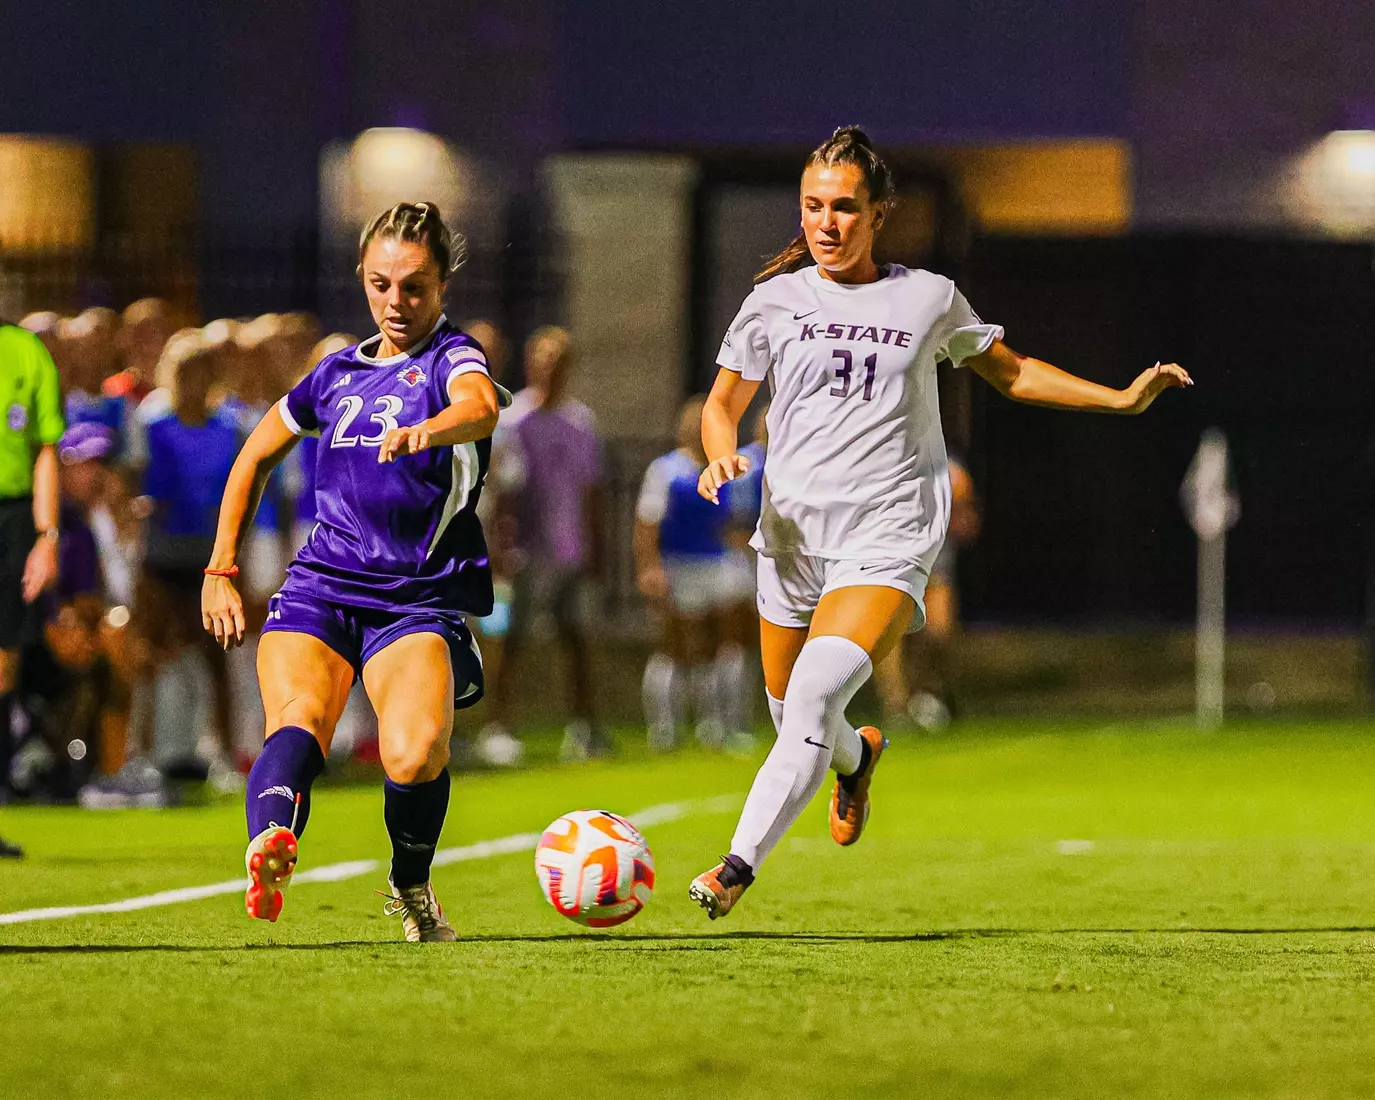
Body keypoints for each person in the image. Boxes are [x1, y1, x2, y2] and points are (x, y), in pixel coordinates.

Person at [687, 126, 1192, 919]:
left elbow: (1012, 370)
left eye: (845, 207)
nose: (826, 222)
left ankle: (733, 867)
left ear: (878, 213)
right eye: (813, 206)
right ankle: (858, 759)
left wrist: (1118, 398)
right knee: (796, 717)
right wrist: (716, 455)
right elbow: (722, 404)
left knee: (815, 698)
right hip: (788, 539)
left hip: (886, 534)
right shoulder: (775, 301)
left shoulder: (926, 296)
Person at [201, 201, 510, 941]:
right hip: (321, 585)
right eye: (381, 285)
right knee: (299, 719)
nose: (396, 303)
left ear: (441, 287)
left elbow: (479, 408)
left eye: (414, 287)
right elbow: (255, 453)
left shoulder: (452, 358)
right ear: (362, 280)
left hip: (413, 599)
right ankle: (268, 842)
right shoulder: (334, 374)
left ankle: (410, 885)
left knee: (413, 752)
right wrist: (220, 567)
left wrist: (426, 431)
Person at [480, 326, 606, 765]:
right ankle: (499, 726)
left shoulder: (581, 423)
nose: (548, 372)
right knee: (510, 641)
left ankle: (585, 729)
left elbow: (593, 491)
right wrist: (500, 545)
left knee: (578, 640)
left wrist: (596, 549)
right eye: (541, 362)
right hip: (527, 552)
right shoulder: (513, 419)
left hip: (570, 548)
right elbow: (502, 491)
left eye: (556, 364)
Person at [636, 396, 749, 751]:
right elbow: (646, 523)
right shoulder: (666, 470)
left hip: (716, 563)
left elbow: (731, 523)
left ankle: (719, 725)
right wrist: (650, 568)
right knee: (675, 647)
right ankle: (664, 728)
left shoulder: (723, 471)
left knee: (723, 645)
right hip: (678, 565)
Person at [0, 319, 66, 855]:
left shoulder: (26, 351)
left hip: (12, 519)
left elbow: (47, 448)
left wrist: (46, 535)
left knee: (4, 665)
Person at [873, 452, 978, 728]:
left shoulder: (950, 469)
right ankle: (896, 706)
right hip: (893, 561)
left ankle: (930, 694)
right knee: (890, 637)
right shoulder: (883, 465)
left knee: (938, 632)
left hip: (935, 562)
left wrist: (958, 513)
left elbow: (967, 520)